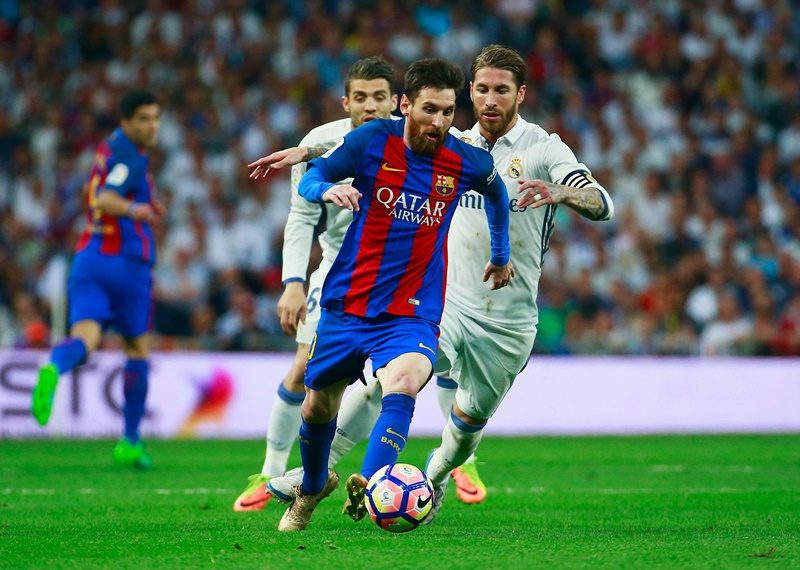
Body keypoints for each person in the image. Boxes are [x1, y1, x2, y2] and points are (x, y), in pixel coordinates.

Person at [258, 45, 614, 523]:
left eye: (501, 90)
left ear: (520, 95)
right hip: (442, 304)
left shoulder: (543, 149)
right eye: (481, 89)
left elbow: (602, 203)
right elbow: (374, 139)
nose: (489, 99)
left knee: (466, 427)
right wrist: (307, 153)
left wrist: (562, 192)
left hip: (508, 320)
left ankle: (437, 474)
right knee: (389, 382)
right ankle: (324, 476)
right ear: (471, 92)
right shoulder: (450, 138)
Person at [275, 58, 514, 532]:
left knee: (403, 381)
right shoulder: (372, 140)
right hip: (350, 302)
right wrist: (327, 192)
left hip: (411, 309)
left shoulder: (466, 160)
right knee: (318, 406)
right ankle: (313, 486)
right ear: (405, 105)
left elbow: (497, 194)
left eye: (448, 112)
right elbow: (313, 175)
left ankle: (374, 484)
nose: (439, 122)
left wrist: (501, 253)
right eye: (429, 110)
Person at [232, 56, 399, 512]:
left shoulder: (415, 140)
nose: (369, 106)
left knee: (389, 380)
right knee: (306, 369)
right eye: (360, 98)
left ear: (396, 101)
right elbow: (301, 217)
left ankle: (344, 471)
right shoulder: (318, 143)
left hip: (400, 276)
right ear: (346, 102)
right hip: (338, 272)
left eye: (379, 97)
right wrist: (292, 283)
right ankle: (269, 472)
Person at [31, 90, 164, 469]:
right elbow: (106, 198)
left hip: (88, 259)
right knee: (137, 349)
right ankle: (130, 441)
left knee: (85, 340)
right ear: (126, 122)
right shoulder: (130, 156)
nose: (152, 126)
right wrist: (137, 209)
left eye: (155, 118)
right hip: (126, 265)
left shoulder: (108, 149)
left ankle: (54, 366)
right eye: (143, 119)